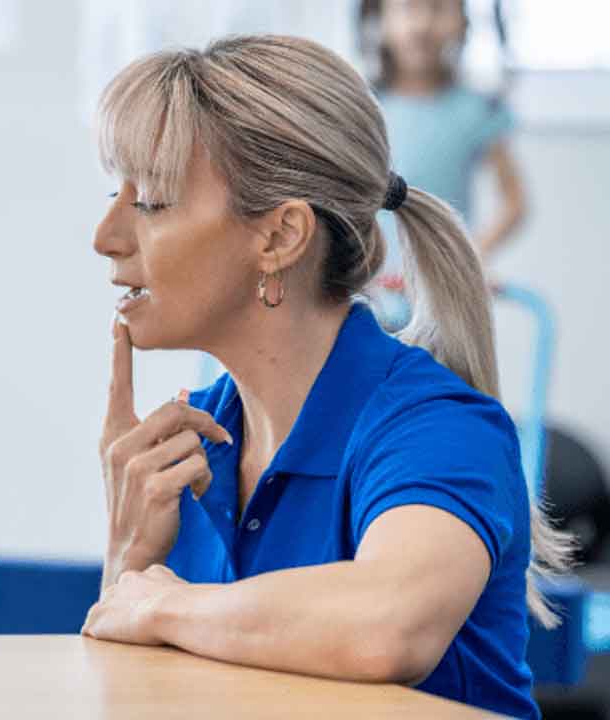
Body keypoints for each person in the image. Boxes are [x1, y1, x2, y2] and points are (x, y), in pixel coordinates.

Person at [79, 36, 568, 719]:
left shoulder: (437, 427)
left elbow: (388, 624)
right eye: (114, 192)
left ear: (280, 237)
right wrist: (123, 562)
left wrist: (158, 601)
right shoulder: (182, 451)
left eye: (152, 202)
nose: (105, 234)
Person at [362, 0, 527, 272]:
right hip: (375, 289)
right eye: (408, 8)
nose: (423, 24)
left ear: (463, 21)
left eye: (438, 7)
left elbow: (514, 202)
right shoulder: (364, 106)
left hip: (448, 283)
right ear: (379, 16)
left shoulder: (478, 110)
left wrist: (476, 255)